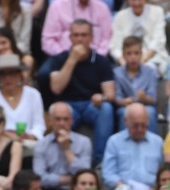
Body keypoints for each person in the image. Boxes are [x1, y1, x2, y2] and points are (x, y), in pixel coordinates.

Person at [38, 19, 116, 167]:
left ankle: (99, 161)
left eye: (84, 35)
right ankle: (56, 163)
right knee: (59, 112)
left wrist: (102, 97)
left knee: (106, 109)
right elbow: (56, 88)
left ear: (92, 38)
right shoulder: (59, 59)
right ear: (70, 38)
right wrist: (72, 59)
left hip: (91, 105)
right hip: (68, 105)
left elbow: (110, 94)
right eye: (76, 35)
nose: (80, 39)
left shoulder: (101, 61)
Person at [101, 102, 164, 190]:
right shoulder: (114, 141)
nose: (140, 129)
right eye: (135, 125)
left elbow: (163, 173)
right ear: (126, 122)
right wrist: (121, 188)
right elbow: (108, 173)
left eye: (144, 125)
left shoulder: (158, 142)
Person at [32, 103, 92, 190]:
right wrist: (69, 179)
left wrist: (67, 149)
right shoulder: (41, 144)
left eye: (66, 119)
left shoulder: (84, 142)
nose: (62, 123)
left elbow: (85, 174)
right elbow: (39, 178)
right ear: (50, 121)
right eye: (57, 119)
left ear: (71, 120)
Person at [0, 53, 45, 143]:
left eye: (12, 73)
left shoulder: (34, 95)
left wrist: (29, 136)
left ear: (20, 74)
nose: (7, 78)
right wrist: (5, 135)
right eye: (3, 74)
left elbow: (39, 125)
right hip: (0, 144)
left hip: (29, 144)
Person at [113, 35, 159, 134]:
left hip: (145, 105)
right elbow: (117, 98)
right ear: (123, 55)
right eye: (129, 54)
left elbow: (153, 99)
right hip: (126, 106)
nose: (133, 57)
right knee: (123, 112)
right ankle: (124, 145)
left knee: (150, 112)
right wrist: (124, 101)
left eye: (136, 53)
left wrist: (144, 97)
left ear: (141, 54)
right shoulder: (117, 73)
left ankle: (151, 145)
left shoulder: (150, 72)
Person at [110, 0, 168, 76]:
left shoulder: (157, 12)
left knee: (148, 71)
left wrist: (140, 62)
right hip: (126, 61)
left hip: (152, 59)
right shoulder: (120, 16)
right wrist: (125, 63)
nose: (136, 3)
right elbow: (114, 46)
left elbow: (158, 41)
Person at [41, 0, 112, 58]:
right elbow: (48, 40)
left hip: (95, 60)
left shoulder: (102, 8)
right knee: (43, 74)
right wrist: (65, 56)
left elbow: (107, 39)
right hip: (62, 59)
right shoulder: (57, 6)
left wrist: (96, 57)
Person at [0, 0, 32, 65]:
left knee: (28, 60)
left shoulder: (25, 12)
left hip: (18, 54)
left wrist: (10, 54)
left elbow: (24, 43)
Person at [0, 27, 30, 93]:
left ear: (12, 43)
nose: (0, 48)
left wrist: (10, 59)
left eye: (3, 43)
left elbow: (24, 83)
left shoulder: (25, 59)